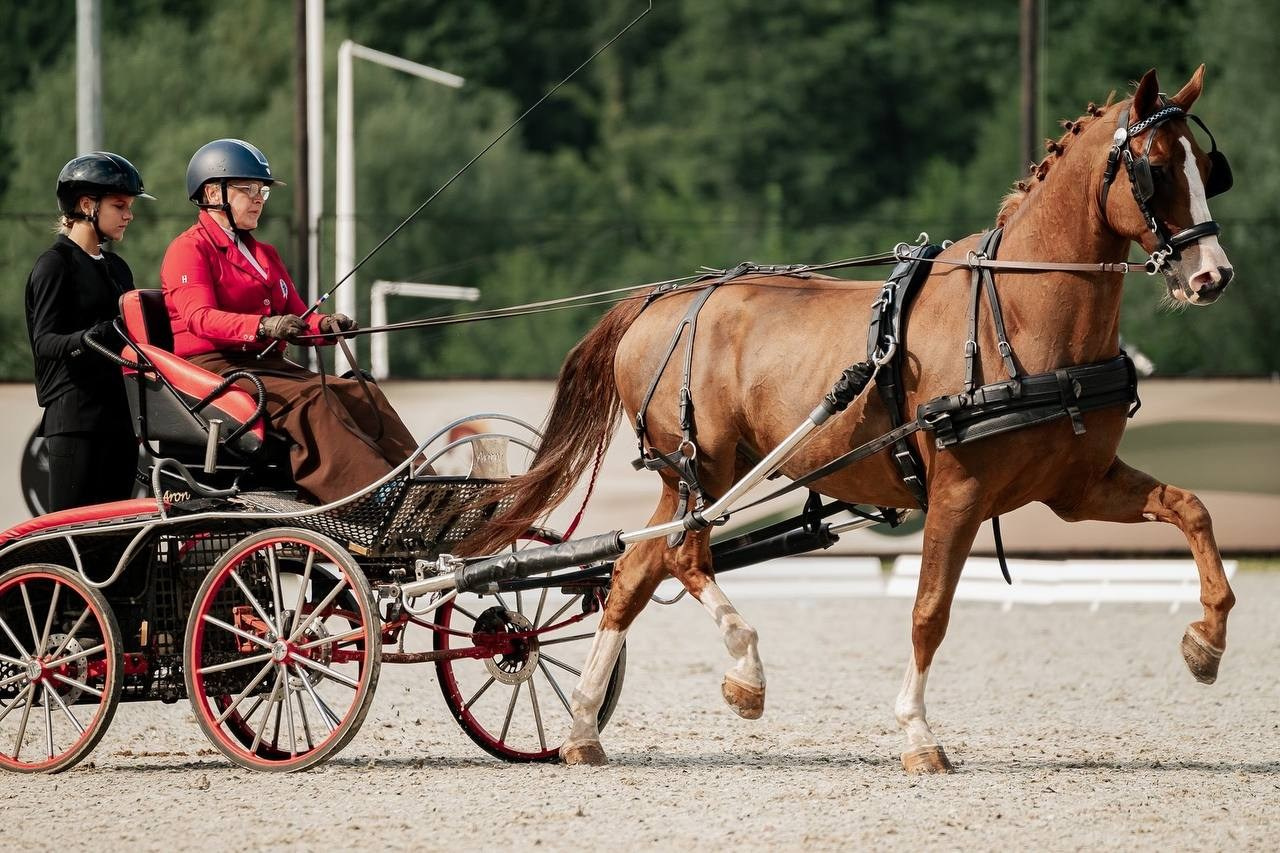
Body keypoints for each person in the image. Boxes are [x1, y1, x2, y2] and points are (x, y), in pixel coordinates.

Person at [161, 138, 419, 504]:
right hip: (214, 370)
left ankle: (418, 481)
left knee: (360, 390)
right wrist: (262, 326)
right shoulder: (189, 249)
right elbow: (199, 318)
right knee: (313, 397)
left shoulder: (264, 253)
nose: (258, 199)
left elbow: (298, 316)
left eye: (262, 191)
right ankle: (371, 497)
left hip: (266, 366)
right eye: (247, 189)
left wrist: (325, 326)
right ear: (212, 192)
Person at [24, 152, 153, 512]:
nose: (129, 214)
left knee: (115, 537)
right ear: (86, 205)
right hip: (76, 420)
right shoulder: (54, 265)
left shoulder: (117, 267)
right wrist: (93, 337)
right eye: (119, 205)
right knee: (71, 534)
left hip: (120, 419)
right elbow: (45, 342)